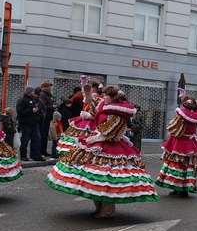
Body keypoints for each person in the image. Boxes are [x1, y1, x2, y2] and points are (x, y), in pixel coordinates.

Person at [46, 86, 159, 218]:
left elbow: (110, 134)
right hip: (99, 144)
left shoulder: (117, 116)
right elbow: (92, 107)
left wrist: (92, 139)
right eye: (104, 95)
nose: (103, 97)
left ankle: (108, 210)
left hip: (111, 149)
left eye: (106, 96)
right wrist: (87, 93)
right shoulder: (105, 109)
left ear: (113, 98)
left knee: (106, 180)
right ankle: (99, 207)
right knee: (94, 179)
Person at [156, 94, 197, 198]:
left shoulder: (181, 116)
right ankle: (185, 189)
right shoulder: (195, 116)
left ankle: (177, 188)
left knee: (176, 165)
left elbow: (172, 127)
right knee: (188, 166)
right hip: (191, 143)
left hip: (180, 142)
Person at [56, 79, 102, 156]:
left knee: (88, 140)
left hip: (93, 122)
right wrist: (83, 84)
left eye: (90, 88)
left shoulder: (99, 98)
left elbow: (96, 112)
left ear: (93, 89)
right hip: (84, 120)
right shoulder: (88, 97)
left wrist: (88, 115)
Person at [16, 85, 42, 162]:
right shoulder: (22, 100)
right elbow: (20, 112)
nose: (34, 92)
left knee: (37, 139)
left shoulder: (33, 100)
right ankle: (23, 155)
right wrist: (31, 111)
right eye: (32, 91)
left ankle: (36, 155)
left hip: (34, 123)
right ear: (29, 92)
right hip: (26, 123)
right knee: (25, 140)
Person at [38, 80, 57, 157]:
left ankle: (43, 150)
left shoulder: (47, 95)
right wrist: (51, 107)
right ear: (45, 87)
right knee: (43, 135)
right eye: (49, 86)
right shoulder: (43, 95)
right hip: (45, 118)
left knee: (45, 135)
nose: (50, 88)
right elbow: (43, 106)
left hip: (48, 117)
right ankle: (42, 150)